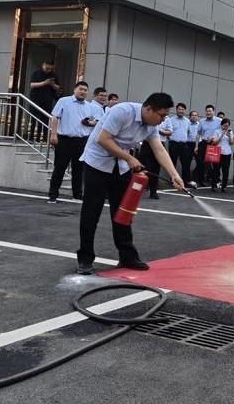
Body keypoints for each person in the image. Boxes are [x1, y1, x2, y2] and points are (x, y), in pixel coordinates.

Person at [76, 92, 183, 275]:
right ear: (149, 109)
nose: (163, 120)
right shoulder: (123, 111)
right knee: (91, 212)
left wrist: (174, 175)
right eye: (162, 115)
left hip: (121, 167)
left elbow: (159, 149)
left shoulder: (151, 125)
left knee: (123, 213)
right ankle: (85, 258)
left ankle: (127, 257)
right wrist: (129, 158)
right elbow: (102, 139)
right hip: (97, 164)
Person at [47, 81, 96, 203]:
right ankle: (53, 195)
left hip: (82, 141)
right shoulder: (64, 101)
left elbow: (96, 121)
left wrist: (90, 123)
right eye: (81, 89)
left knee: (79, 170)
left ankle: (77, 195)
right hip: (65, 140)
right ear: (75, 90)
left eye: (85, 90)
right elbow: (55, 117)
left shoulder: (90, 106)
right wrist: (53, 134)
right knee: (59, 168)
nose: (83, 92)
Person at [140, 115, 171, 199]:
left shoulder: (167, 119)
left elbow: (170, 132)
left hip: (160, 145)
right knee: (143, 168)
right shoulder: (149, 117)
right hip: (146, 145)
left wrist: (160, 131)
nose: (163, 119)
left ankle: (153, 192)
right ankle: (138, 189)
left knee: (155, 169)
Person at [29, 59, 60, 138]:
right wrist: (44, 83)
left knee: (46, 118)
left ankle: (43, 137)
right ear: (43, 65)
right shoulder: (36, 73)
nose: (49, 70)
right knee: (34, 117)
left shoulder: (53, 75)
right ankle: (32, 136)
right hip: (35, 99)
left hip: (48, 100)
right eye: (47, 68)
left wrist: (52, 84)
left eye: (51, 69)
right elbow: (32, 85)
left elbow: (58, 87)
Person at [194, 104, 221, 186]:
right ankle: (200, 181)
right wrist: (196, 146)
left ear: (213, 111)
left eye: (210, 111)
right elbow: (198, 134)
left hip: (214, 143)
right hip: (204, 143)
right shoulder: (202, 121)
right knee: (200, 162)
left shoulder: (219, 120)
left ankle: (216, 181)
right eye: (207, 111)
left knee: (215, 163)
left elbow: (222, 131)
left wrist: (213, 137)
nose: (208, 112)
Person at [167, 103, 193, 184]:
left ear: (185, 111)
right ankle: (172, 180)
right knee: (172, 163)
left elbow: (188, 133)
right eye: (179, 109)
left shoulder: (188, 121)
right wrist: (171, 139)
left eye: (182, 109)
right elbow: (168, 132)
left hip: (184, 145)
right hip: (174, 144)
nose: (181, 111)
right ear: (176, 110)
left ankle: (186, 181)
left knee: (186, 164)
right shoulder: (171, 120)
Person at [209, 118, 234, 192]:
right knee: (216, 170)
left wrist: (229, 136)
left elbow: (231, 143)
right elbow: (215, 142)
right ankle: (214, 185)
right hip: (218, 152)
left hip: (227, 153)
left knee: (225, 170)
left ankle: (224, 186)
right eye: (224, 126)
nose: (225, 127)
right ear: (221, 125)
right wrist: (222, 135)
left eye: (227, 126)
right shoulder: (217, 131)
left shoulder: (230, 132)